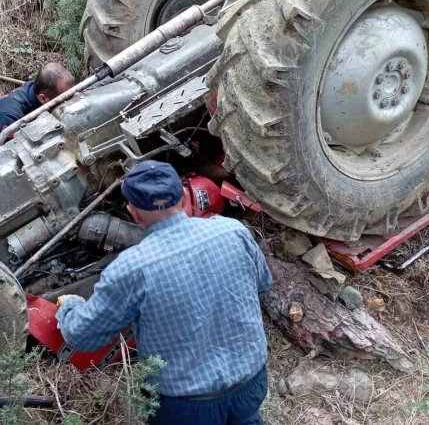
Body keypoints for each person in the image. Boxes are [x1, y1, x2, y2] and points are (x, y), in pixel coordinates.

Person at [56, 160, 272, 425]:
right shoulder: (234, 232)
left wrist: (70, 306)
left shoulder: (131, 268)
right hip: (251, 383)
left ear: (133, 211)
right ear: (183, 196)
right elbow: (263, 286)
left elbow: (82, 336)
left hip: (185, 407)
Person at [0, 62, 75, 152]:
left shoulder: (39, 89)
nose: (68, 101)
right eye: (65, 98)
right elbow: (13, 155)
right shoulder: (7, 117)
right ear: (43, 98)